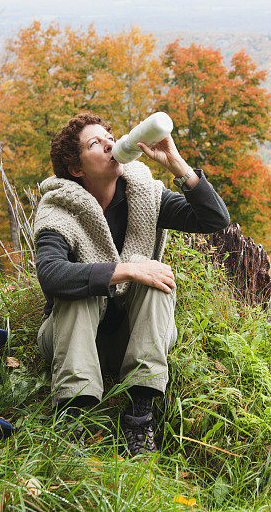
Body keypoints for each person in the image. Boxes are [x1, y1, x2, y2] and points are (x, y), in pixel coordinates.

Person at [34, 111, 230, 455]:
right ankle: (73, 419)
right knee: (87, 284)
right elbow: (50, 276)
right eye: (96, 143)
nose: (110, 143)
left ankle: (140, 416)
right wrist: (124, 271)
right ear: (77, 169)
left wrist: (176, 163)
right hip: (74, 340)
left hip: (135, 336)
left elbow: (214, 219)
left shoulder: (145, 195)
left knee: (155, 275)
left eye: (110, 136)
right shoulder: (58, 209)